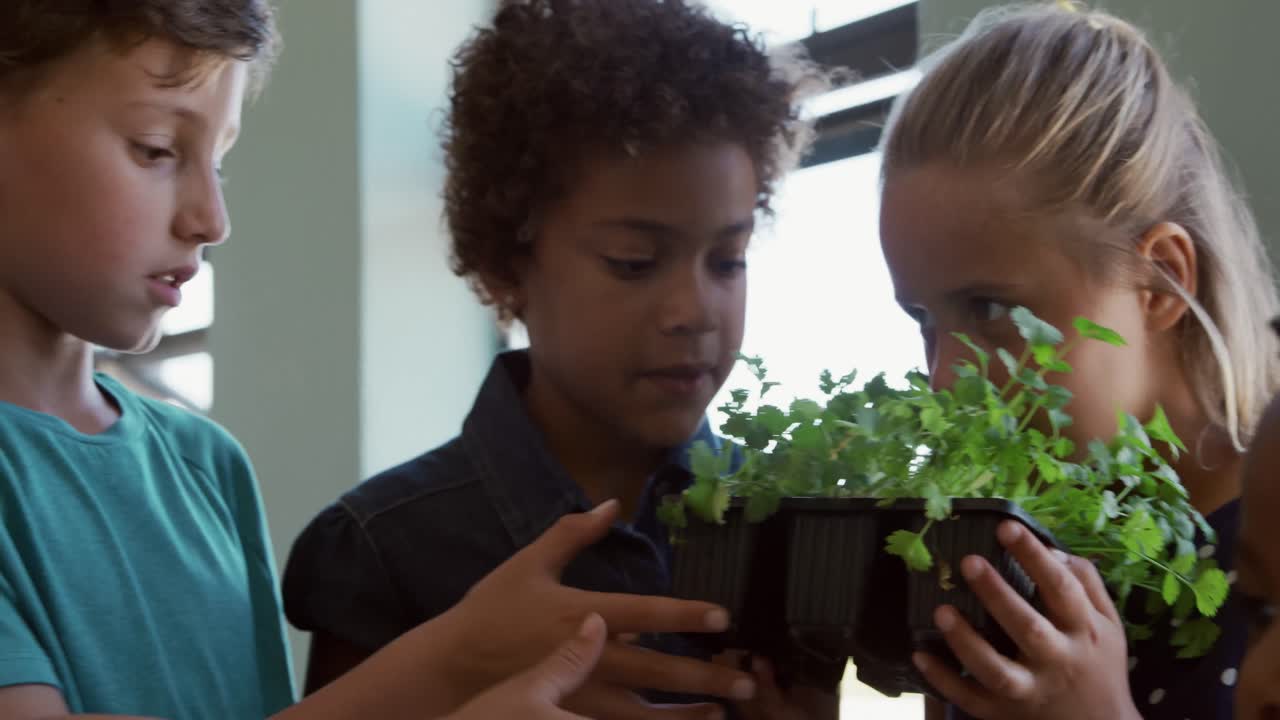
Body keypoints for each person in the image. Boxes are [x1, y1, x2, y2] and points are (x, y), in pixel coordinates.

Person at [0, 2, 752, 717]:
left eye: (220, 164)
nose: (212, 220)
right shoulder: (376, 544)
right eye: (157, 150)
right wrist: (455, 661)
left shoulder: (207, 467)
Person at [282, 0, 835, 717]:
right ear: (509, 264)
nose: (695, 311)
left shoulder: (790, 523)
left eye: (728, 261)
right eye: (634, 263)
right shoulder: (383, 549)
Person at [874, 2, 1280, 718]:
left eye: (990, 311)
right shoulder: (998, 566)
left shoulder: (1269, 555)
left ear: (1162, 282)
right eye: (924, 322)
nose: (943, 381)